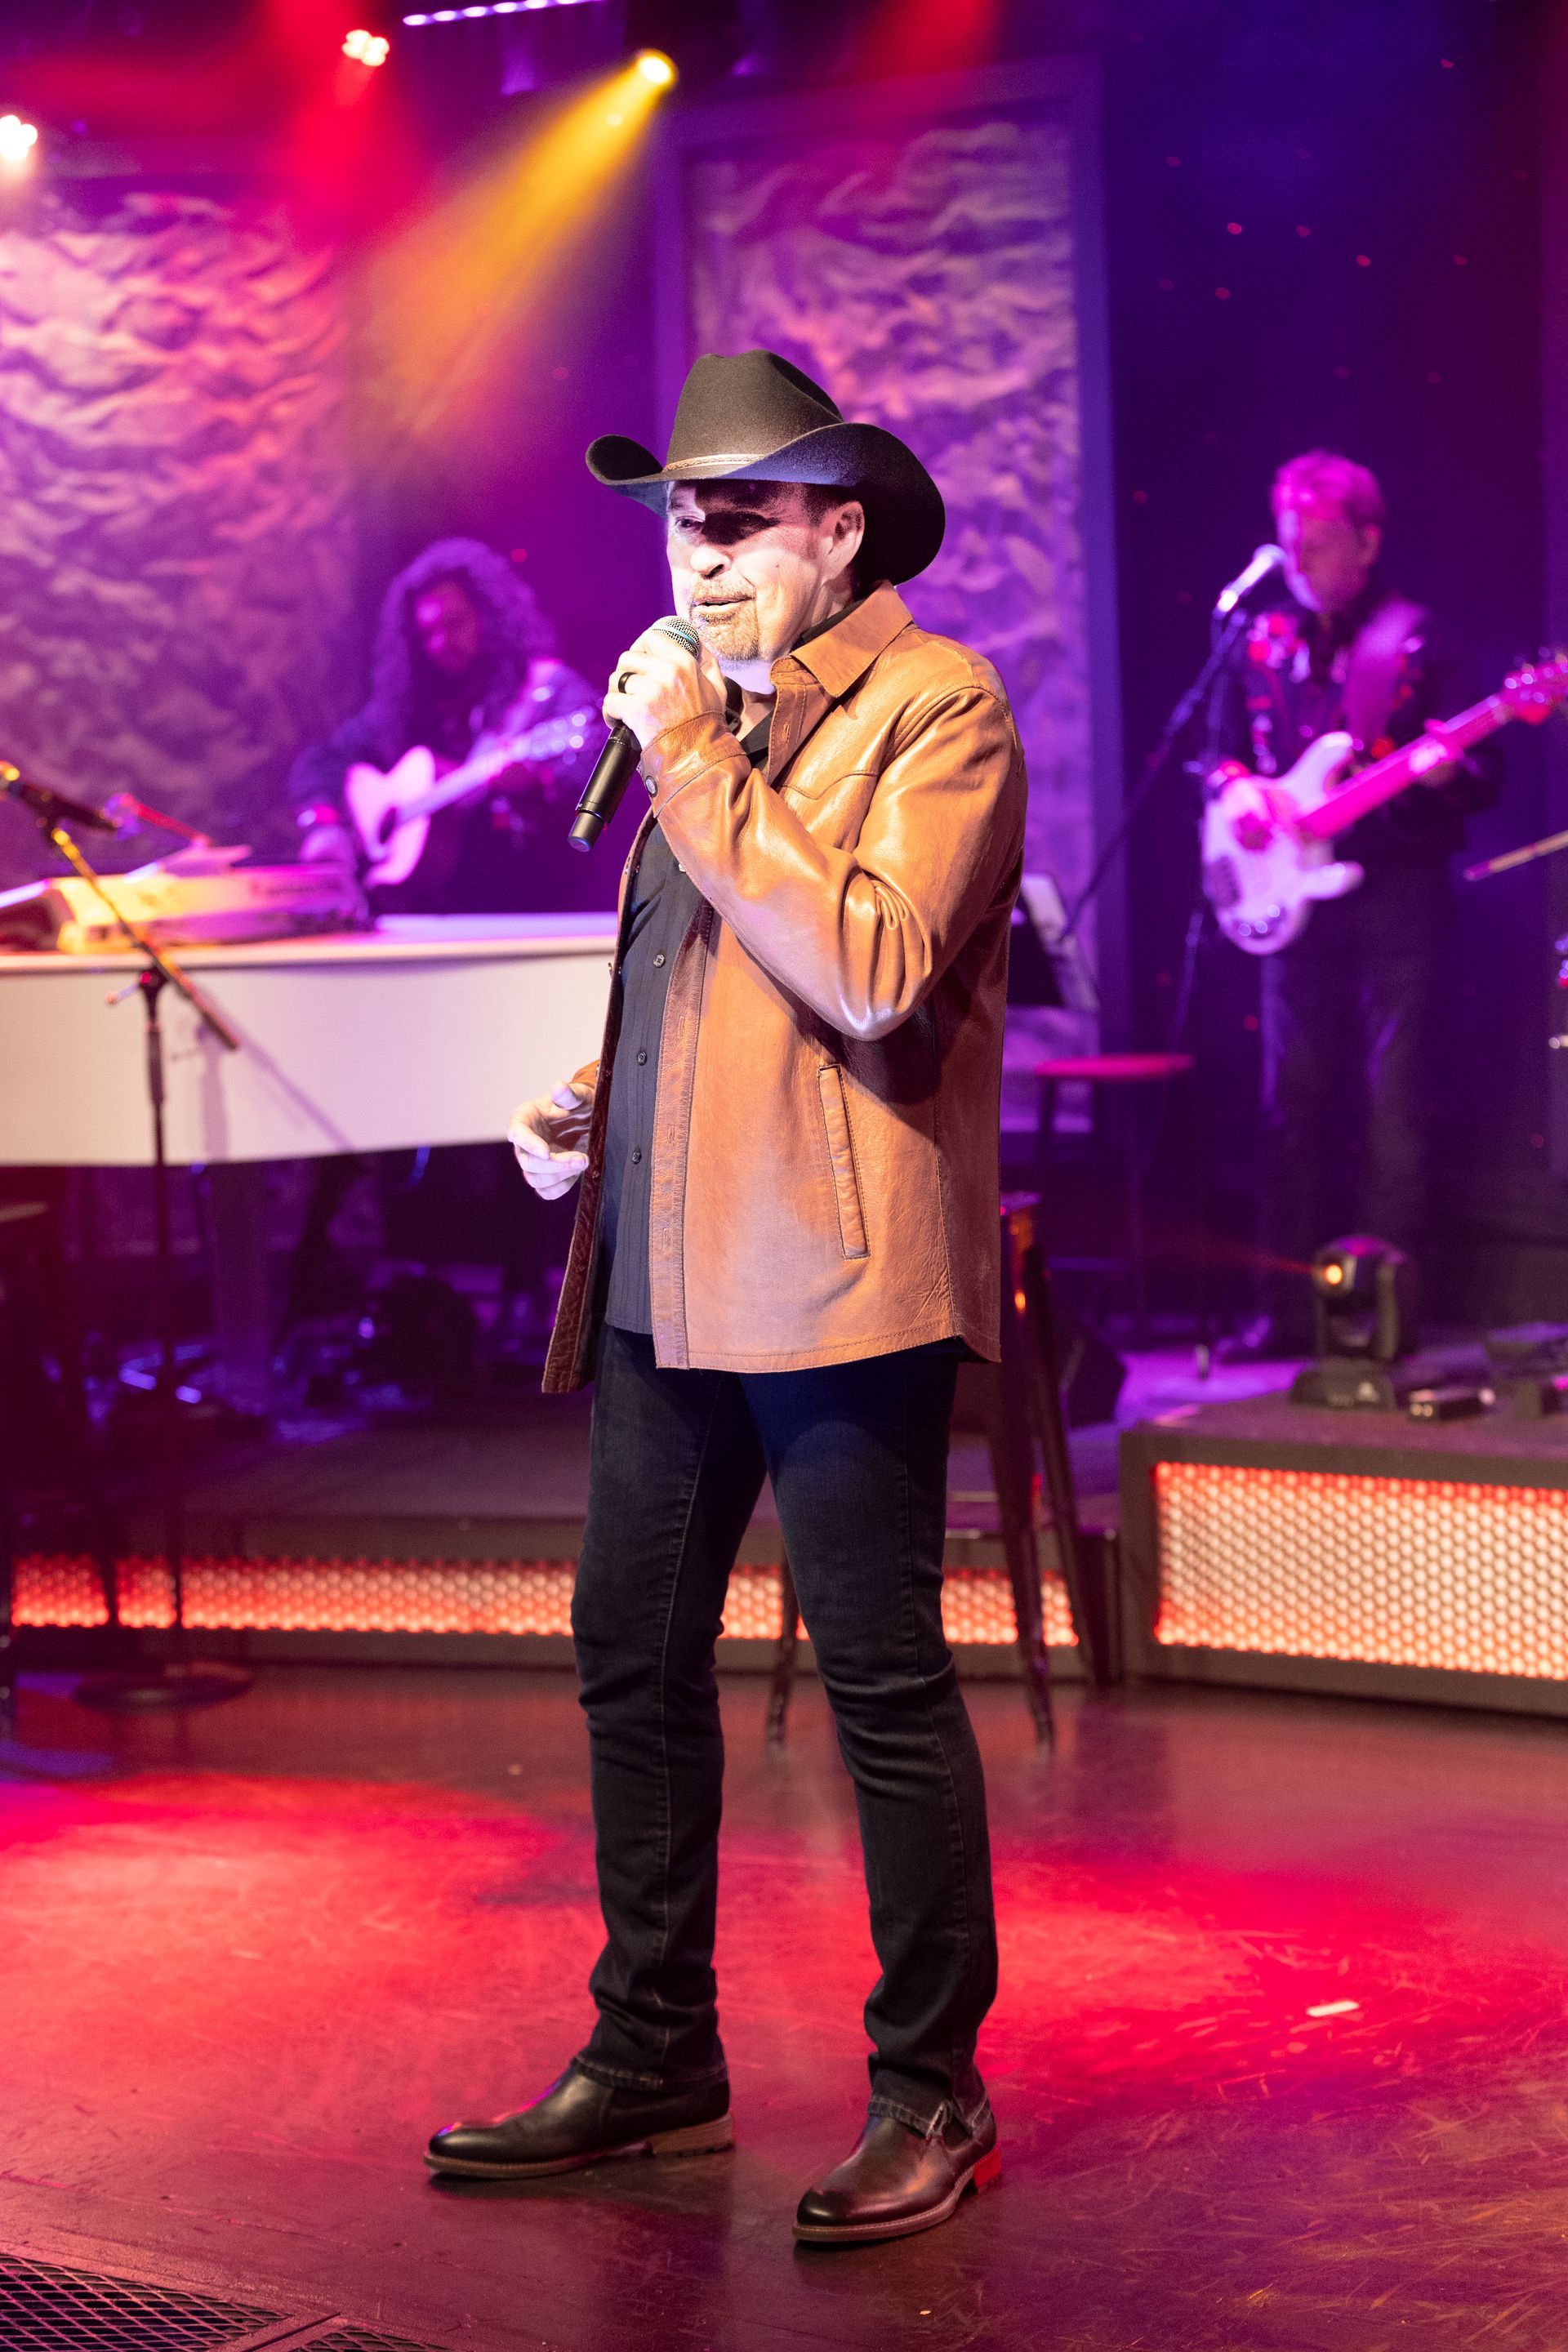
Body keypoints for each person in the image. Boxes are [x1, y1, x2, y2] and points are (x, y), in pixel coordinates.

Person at [424, 350, 1027, 2246]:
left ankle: (934, 2085)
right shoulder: (720, 714)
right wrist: (594, 1099)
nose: (696, 553)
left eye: (738, 517)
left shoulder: (940, 708)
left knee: (881, 1686)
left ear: (840, 530)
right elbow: (708, 976)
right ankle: (656, 2053)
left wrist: (689, 753)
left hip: (839, 1274)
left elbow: (866, 971)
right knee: (629, 1653)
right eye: (683, 518)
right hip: (667, 1268)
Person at [1205, 451, 1498, 1357]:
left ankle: (1388, 1311)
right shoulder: (1258, 639)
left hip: (1397, 899)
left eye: (1319, 540)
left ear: (1366, 542)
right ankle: (1285, 1309)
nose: (1297, 556)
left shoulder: (1417, 639)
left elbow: (1484, 777)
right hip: (1294, 904)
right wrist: (1243, 797)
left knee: (1393, 1107)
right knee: (1290, 1108)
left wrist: (1447, 774)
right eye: (1290, 537)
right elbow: (1214, 757)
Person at [288, 536, 599, 914]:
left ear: (490, 616)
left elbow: (597, 763)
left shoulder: (548, 690)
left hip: (523, 911)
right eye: (428, 634)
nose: (440, 643)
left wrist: (537, 783)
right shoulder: (408, 707)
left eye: (454, 625)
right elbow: (326, 760)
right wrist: (324, 823)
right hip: (417, 921)